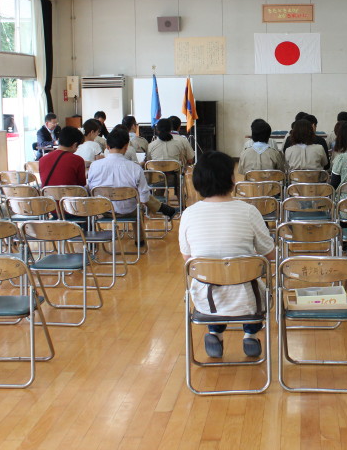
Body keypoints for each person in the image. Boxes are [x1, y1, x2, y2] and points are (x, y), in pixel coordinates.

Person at [179, 151, 275, 358]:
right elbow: (270, 254)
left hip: (206, 300)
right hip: (249, 300)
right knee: (252, 288)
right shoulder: (248, 211)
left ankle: (215, 331)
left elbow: (189, 261)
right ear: (232, 180)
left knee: (212, 279)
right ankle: (250, 334)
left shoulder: (189, 214)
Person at [86, 129, 177, 218]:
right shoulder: (135, 167)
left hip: (101, 209)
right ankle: (140, 232)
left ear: (107, 146)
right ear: (126, 147)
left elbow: (90, 189)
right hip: (128, 210)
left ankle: (163, 208)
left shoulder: (94, 166)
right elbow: (144, 199)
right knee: (140, 195)